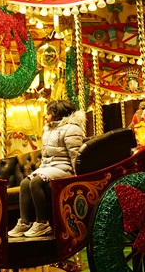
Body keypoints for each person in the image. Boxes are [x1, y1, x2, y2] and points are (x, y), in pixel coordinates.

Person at [8, 99, 86, 238]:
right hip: (49, 167)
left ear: (57, 114)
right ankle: (25, 222)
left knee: (36, 182)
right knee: (25, 183)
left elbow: (75, 154)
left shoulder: (72, 129)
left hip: (64, 167)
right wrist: (42, 167)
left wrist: (78, 175)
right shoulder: (48, 130)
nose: (46, 116)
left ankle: (42, 222)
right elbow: (45, 154)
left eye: (49, 113)